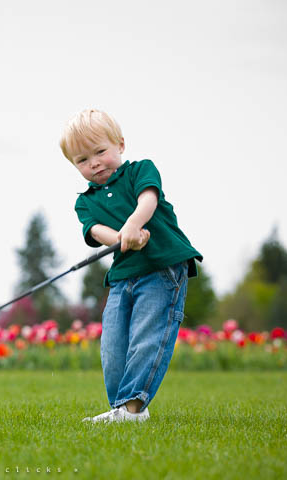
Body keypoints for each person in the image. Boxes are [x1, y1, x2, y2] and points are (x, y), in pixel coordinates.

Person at [59, 109, 202, 423]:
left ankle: (133, 408)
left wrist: (134, 225)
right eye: (83, 160)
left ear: (120, 145)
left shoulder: (141, 170)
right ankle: (123, 409)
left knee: (147, 337)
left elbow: (147, 200)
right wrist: (124, 238)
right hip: (123, 275)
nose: (94, 163)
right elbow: (96, 232)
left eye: (100, 152)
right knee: (113, 347)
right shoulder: (85, 202)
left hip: (162, 265)